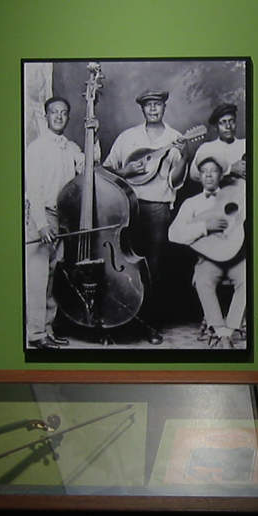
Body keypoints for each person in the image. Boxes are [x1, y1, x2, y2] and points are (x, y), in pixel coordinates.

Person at [105, 89, 188, 344]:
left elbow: (175, 181)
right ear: (142, 109)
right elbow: (107, 171)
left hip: (157, 208)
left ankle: (150, 324)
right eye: (148, 105)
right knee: (123, 265)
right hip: (126, 208)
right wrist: (127, 171)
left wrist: (183, 156)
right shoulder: (128, 137)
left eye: (158, 104)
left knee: (153, 267)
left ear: (164, 107)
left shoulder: (176, 138)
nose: (153, 109)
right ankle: (122, 322)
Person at [24, 96, 86, 348]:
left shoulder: (70, 147)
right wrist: (41, 224)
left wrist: (93, 132)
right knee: (37, 277)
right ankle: (36, 334)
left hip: (64, 218)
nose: (59, 117)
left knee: (53, 276)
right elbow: (33, 190)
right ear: (46, 115)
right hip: (43, 216)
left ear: (68, 117)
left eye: (63, 113)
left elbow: (88, 166)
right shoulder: (36, 148)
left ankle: (47, 329)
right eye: (54, 112)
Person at [167, 155, 246, 347]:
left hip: (236, 256)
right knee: (203, 280)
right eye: (204, 172)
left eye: (213, 171)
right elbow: (173, 233)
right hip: (208, 259)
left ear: (221, 175)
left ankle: (229, 329)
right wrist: (205, 227)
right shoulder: (191, 204)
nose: (209, 175)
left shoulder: (236, 194)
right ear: (199, 176)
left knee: (249, 277)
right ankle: (220, 331)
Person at [188, 103, 246, 184]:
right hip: (218, 194)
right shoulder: (207, 148)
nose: (228, 126)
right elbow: (194, 174)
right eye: (223, 122)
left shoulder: (245, 144)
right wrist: (229, 170)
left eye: (231, 121)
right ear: (216, 127)